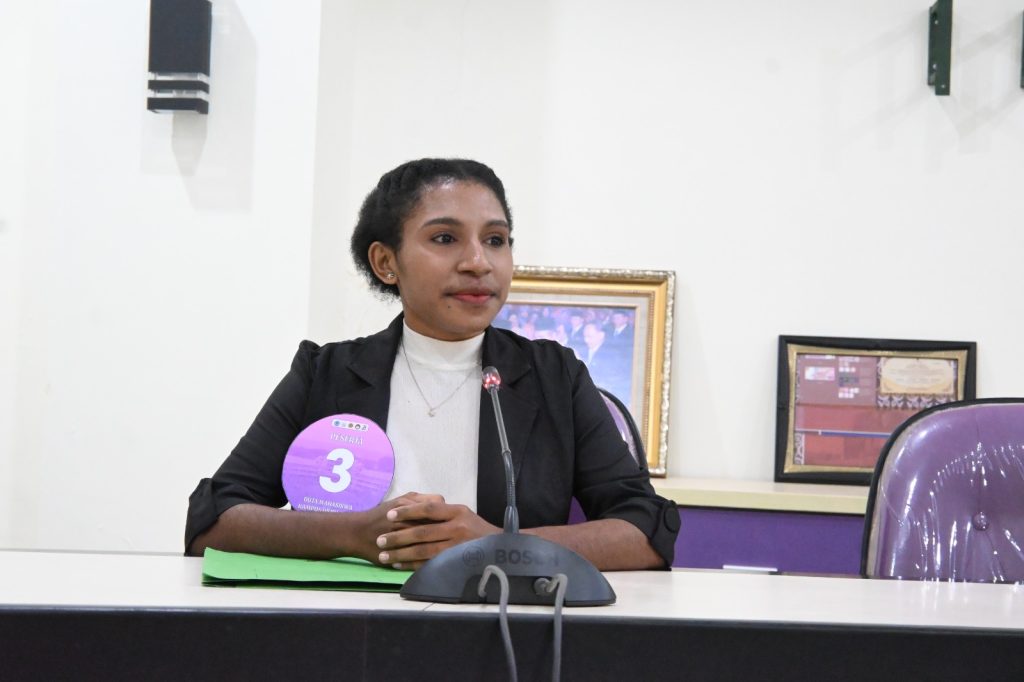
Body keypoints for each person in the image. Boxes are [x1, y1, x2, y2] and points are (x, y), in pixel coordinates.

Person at [185, 158, 678, 571]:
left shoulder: (555, 376)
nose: (478, 262)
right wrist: (353, 533)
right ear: (386, 262)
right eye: (445, 238)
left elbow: (645, 530)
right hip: (348, 627)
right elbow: (213, 521)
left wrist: (498, 545)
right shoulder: (325, 373)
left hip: (504, 629)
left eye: (496, 240)